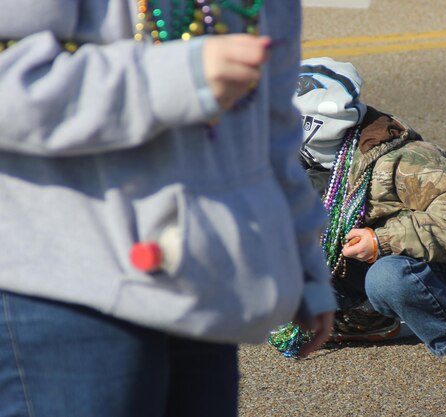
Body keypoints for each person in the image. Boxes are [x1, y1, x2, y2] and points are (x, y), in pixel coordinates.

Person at [0, 2, 335, 416]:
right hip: (68, 292)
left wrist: (300, 251)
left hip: (205, 279)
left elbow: (274, 122)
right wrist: (171, 78)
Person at [293, 57, 446, 385]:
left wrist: (381, 242)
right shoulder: (306, 155)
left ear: (312, 125)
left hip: (426, 268)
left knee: (388, 278)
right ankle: (367, 317)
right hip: (355, 257)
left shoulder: (401, 159)